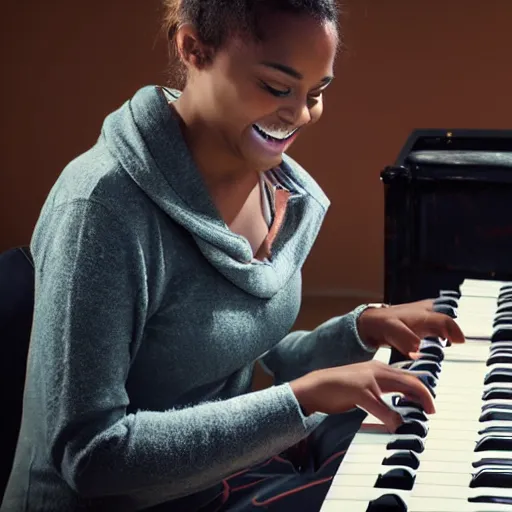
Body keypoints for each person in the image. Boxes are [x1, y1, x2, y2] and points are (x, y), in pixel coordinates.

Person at [1, 0, 465, 511]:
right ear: (193, 48)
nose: (300, 115)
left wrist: (357, 331)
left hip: (229, 476)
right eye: (276, 86)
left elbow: (231, 352)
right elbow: (91, 455)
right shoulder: (101, 211)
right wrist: (301, 399)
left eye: (316, 92)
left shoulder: (276, 192)